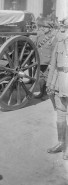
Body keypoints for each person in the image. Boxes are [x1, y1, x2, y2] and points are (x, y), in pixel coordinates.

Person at [46, 17, 68, 160]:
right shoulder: (59, 43)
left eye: (64, 28)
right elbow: (53, 65)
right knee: (60, 115)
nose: (61, 30)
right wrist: (50, 84)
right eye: (62, 28)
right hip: (61, 84)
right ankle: (62, 143)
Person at [32, 18, 57, 100]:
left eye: (46, 27)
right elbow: (36, 47)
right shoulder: (40, 37)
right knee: (40, 78)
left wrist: (51, 64)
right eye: (43, 27)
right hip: (40, 60)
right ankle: (42, 92)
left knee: (47, 78)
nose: (44, 29)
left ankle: (47, 94)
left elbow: (54, 52)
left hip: (47, 61)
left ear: (50, 28)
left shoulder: (53, 38)